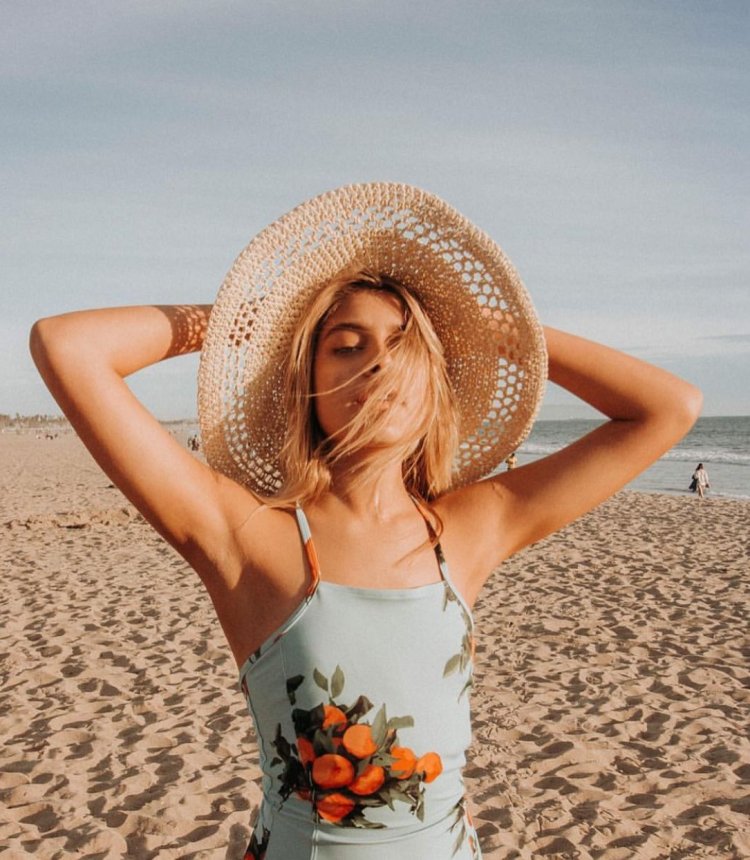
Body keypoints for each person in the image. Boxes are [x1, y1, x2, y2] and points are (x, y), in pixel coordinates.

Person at [30, 183, 701, 859]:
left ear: (433, 380)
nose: (380, 361)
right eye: (346, 346)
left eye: (405, 346)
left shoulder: (467, 530)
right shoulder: (249, 536)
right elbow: (66, 345)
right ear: (305, 379)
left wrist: (487, 329)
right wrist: (251, 321)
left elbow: (669, 407)